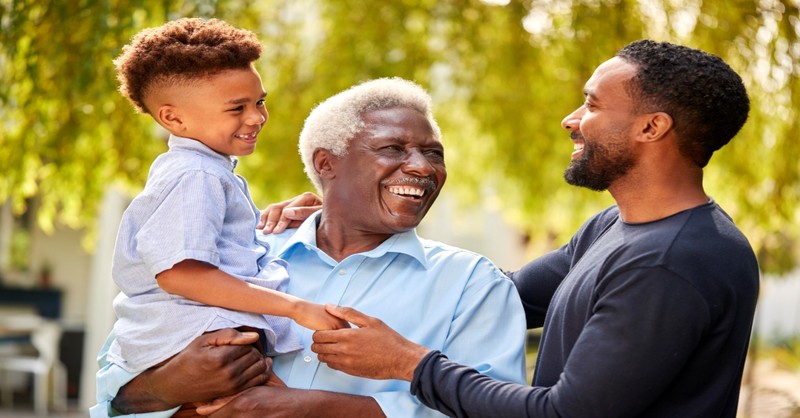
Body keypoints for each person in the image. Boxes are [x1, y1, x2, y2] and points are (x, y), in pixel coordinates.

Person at [304, 40, 761, 417]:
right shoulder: (612, 229)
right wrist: (335, 212)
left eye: (592, 104)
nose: (571, 120)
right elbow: (491, 295)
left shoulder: (673, 262)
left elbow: (562, 414)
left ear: (651, 127)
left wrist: (410, 364)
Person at [95, 77, 528, 417]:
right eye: (393, 148)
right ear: (327, 163)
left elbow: (495, 410)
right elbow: (113, 391)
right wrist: (164, 387)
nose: (421, 167)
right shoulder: (235, 256)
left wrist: (317, 409)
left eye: (433, 154)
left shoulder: (473, 285)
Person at [92, 17, 346, 417]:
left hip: (199, 333)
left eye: (259, 101)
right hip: (198, 336)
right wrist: (296, 308)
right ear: (173, 118)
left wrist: (266, 217)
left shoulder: (198, 169)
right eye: (237, 108)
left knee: (285, 403)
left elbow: (217, 242)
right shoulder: (197, 174)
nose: (257, 117)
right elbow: (180, 273)